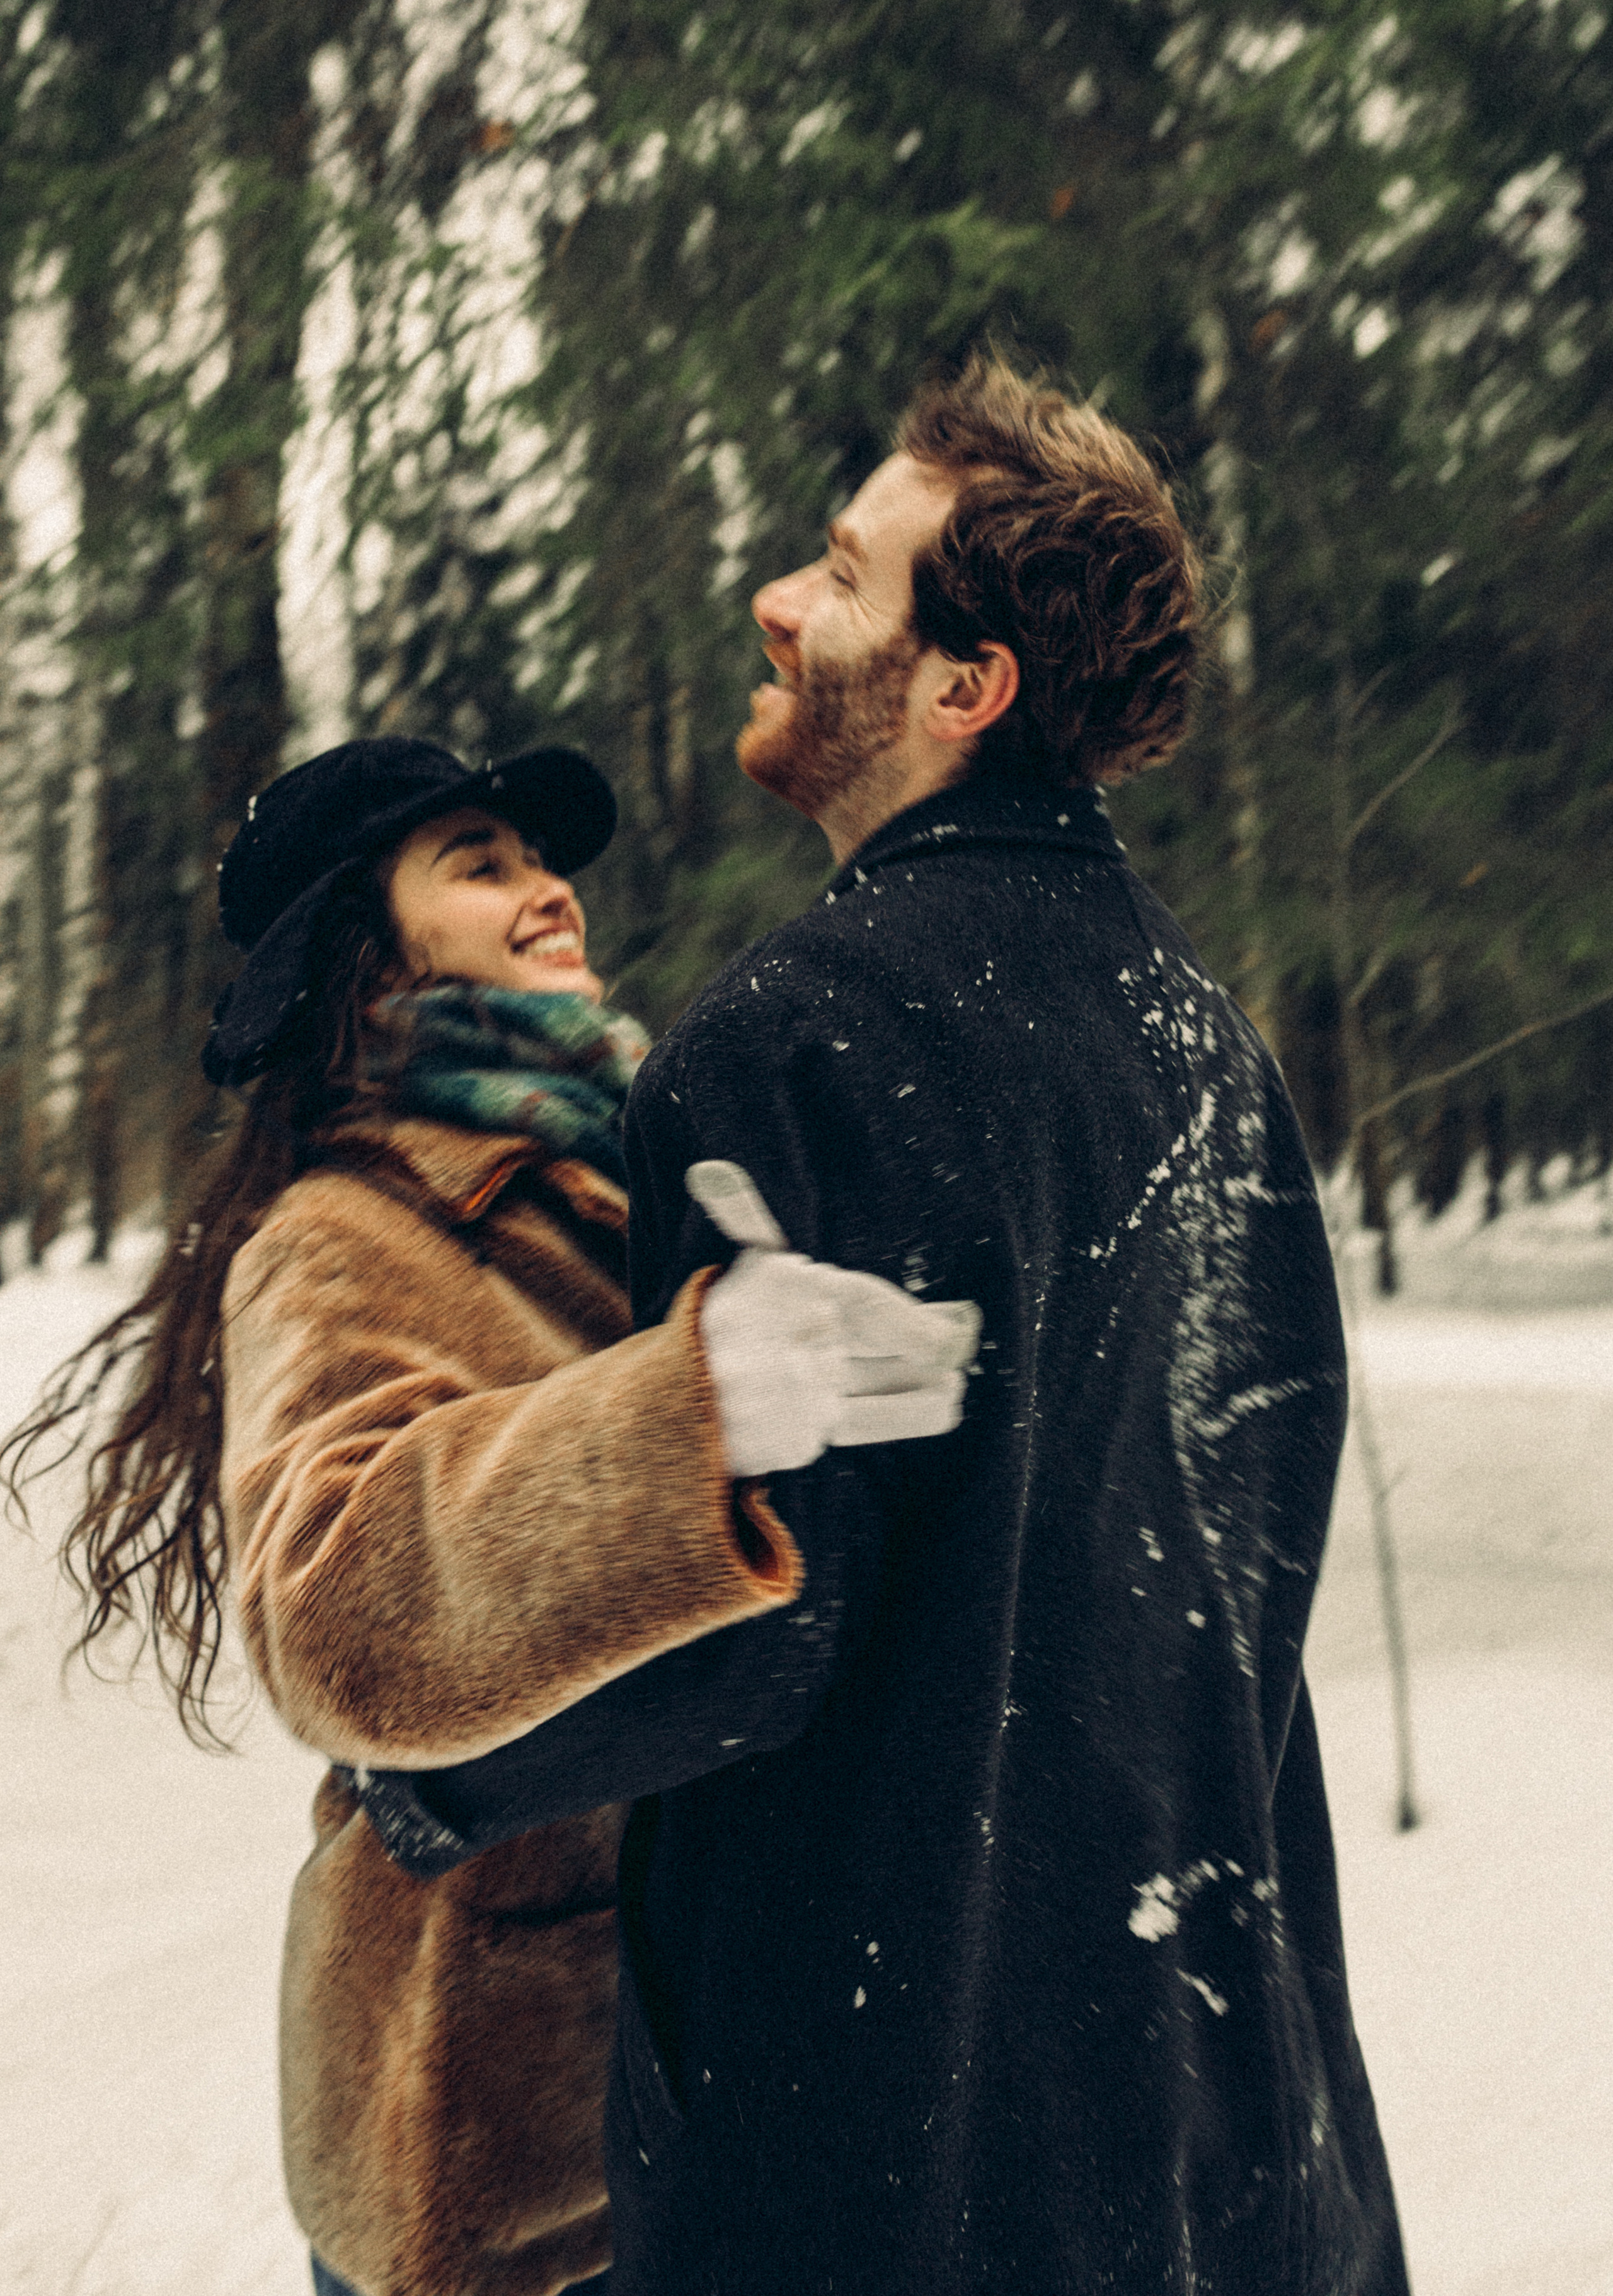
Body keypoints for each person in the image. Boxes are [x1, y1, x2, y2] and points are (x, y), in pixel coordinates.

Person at [363, 358, 1411, 2294]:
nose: (776, 597)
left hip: (886, 2138)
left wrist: (435, 1778)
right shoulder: (1211, 1050)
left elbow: (758, 1618)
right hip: (1219, 2119)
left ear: (965, 687)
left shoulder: (785, 1046)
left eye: (841, 576)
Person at [3, 734, 975, 2296]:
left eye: (539, 856)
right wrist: (695, 1410)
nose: (548, 890)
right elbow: (337, 1615)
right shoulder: (340, 1234)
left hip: (695, 2080)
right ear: (370, 957)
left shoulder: (619, 1177)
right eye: (481, 862)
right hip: (489, 2152)